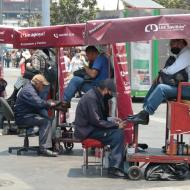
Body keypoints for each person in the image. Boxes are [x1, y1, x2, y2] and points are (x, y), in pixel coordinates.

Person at [128, 39, 190, 125]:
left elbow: (172, 70)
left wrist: (161, 72)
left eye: (172, 44)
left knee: (161, 88)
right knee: (157, 82)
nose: (171, 47)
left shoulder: (187, 54)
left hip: (187, 88)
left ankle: (145, 113)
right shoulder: (181, 54)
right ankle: (144, 113)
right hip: (184, 86)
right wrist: (159, 76)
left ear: (180, 42)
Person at [74, 79, 126, 178]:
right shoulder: (91, 97)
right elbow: (97, 121)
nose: (110, 95)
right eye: (110, 92)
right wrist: (116, 125)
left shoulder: (97, 95)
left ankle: (116, 164)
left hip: (91, 127)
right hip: (87, 131)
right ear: (106, 89)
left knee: (117, 132)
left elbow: (99, 117)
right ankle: (114, 168)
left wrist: (111, 119)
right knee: (117, 134)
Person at [14, 74, 58, 157]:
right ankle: (44, 148)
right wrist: (49, 103)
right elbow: (39, 103)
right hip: (23, 117)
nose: (44, 87)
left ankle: (49, 144)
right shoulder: (29, 91)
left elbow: (38, 103)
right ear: (38, 83)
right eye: (43, 85)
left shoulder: (31, 88)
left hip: (26, 114)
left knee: (47, 118)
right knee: (45, 122)